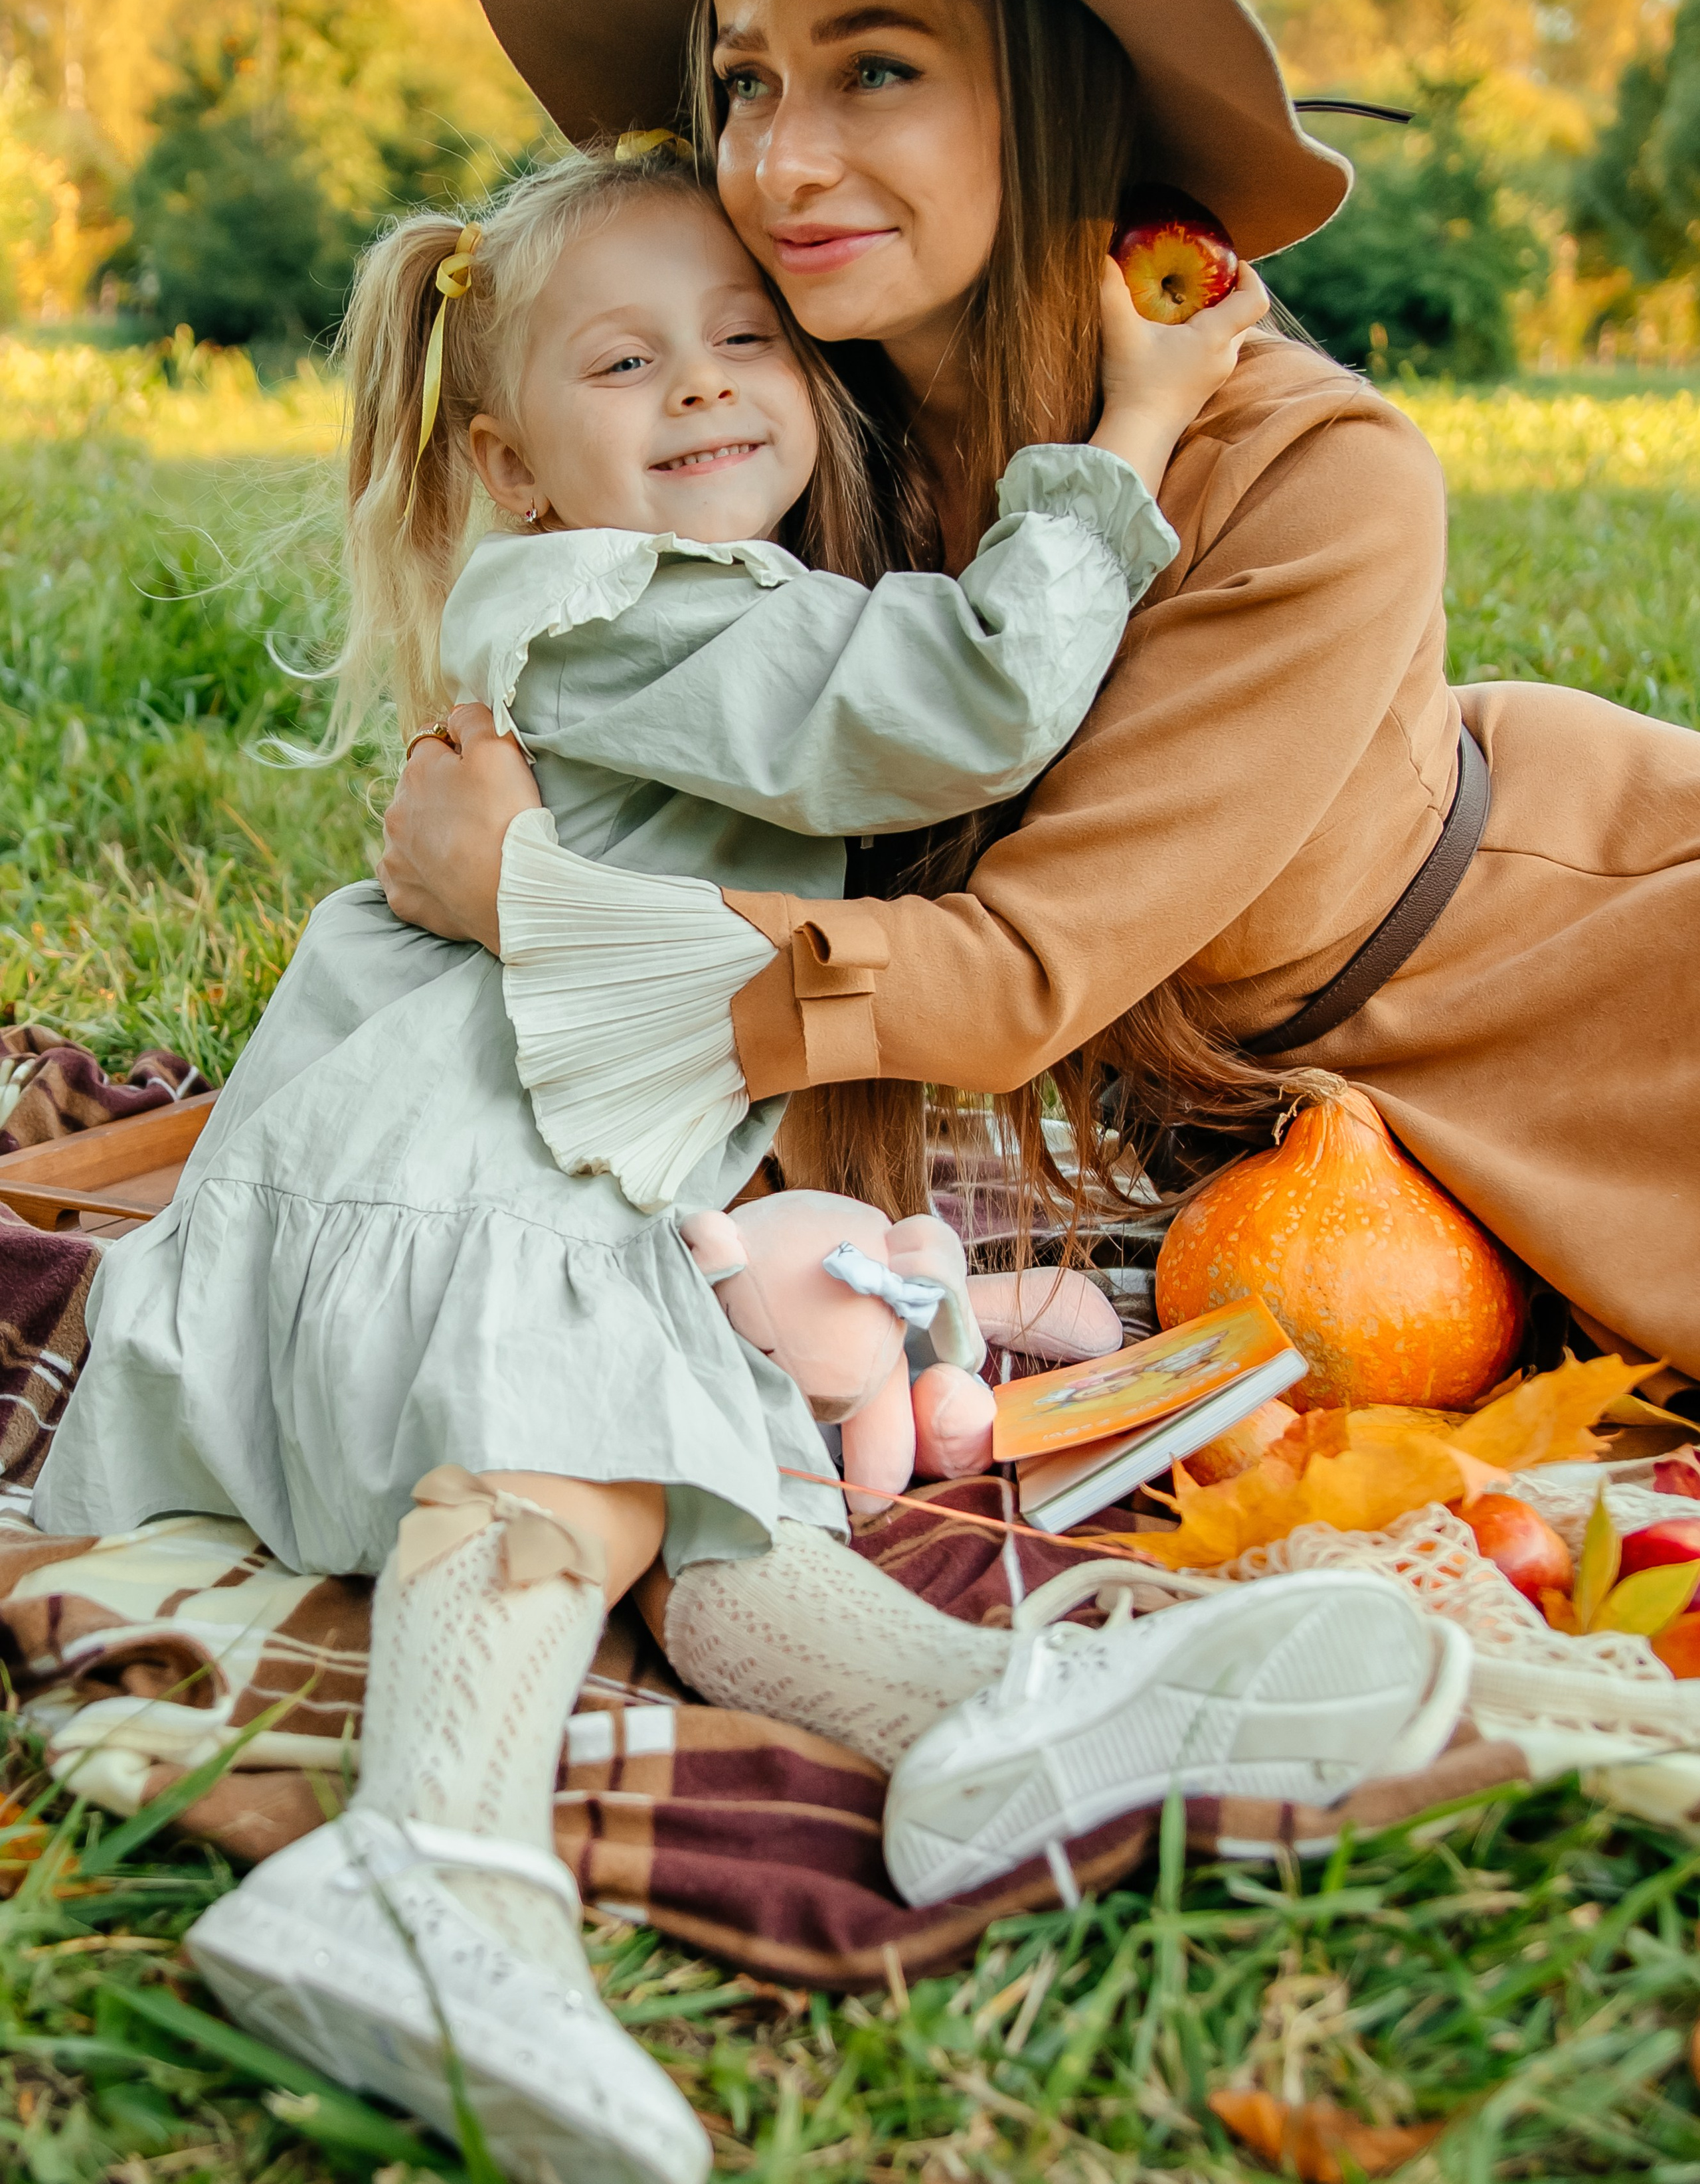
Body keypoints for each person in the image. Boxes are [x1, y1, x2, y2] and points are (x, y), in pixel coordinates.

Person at [35, 134, 1452, 2181]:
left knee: (720, 1501)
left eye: (743, 337)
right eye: (623, 367)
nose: (702, 385)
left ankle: (985, 1723)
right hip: (449, 1166)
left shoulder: (686, 591)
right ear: (513, 463)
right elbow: (957, 709)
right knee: (597, 1431)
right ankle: (427, 1859)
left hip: (555, 1163)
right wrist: (1126, 439)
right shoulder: (627, 603)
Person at [390, 0, 1700, 1385]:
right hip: (1266, 1131)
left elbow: (1009, 975)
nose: (780, 162)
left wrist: (546, 915)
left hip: (1589, 1001)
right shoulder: (783, 429)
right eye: (743, 83)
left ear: (1057, 97)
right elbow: (692, 794)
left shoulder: (1315, 479)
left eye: (874, 71)